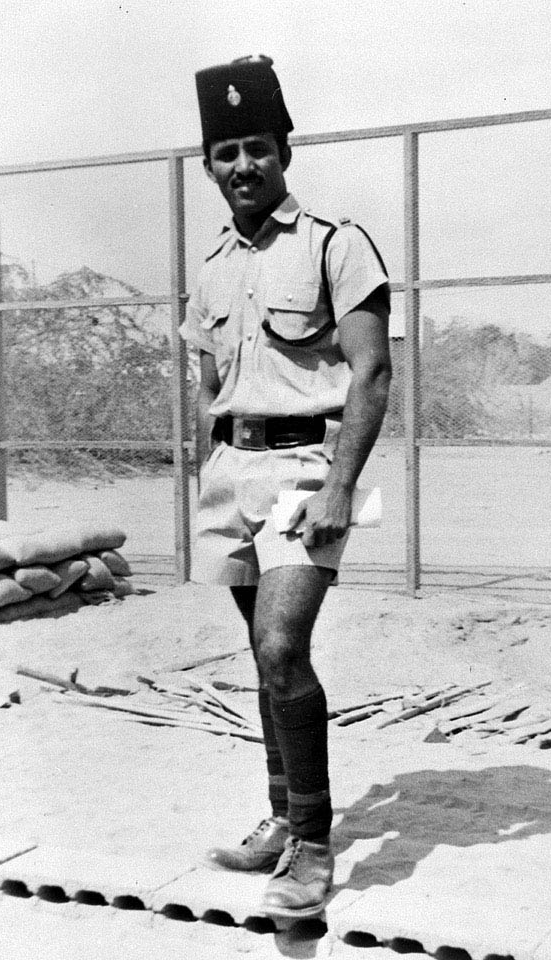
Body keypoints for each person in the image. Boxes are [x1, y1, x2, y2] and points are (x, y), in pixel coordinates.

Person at [182, 55, 391, 920]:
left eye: (258, 148)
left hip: (306, 469)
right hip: (233, 472)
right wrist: (211, 465)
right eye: (226, 152)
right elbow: (208, 379)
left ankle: (312, 842)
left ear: (285, 152)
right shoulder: (210, 264)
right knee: (263, 654)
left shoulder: (336, 244)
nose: (244, 166)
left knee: (280, 647)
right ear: (209, 166)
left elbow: (372, 373)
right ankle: (281, 814)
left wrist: (341, 488)